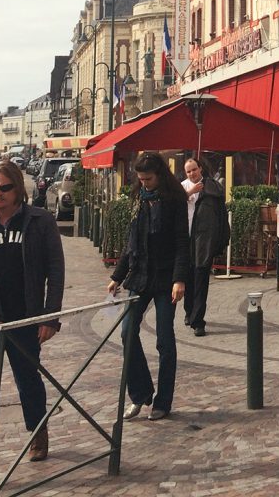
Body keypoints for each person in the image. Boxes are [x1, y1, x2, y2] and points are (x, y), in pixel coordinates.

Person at [0, 162, 64, 487]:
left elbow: (55, 269)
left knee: (29, 382)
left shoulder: (40, 222)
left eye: (4, 188)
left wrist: (51, 317)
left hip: (26, 319)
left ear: (17, 189)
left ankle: (38, 432)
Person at [108, 153, 189, 422]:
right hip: (140, 276)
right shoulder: (138, 200)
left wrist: (180, 279)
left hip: (166, 277)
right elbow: (131, 242)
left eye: (148, 179)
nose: (144, 184)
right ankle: (141, 393)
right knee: (127, 331)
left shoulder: (174, 200)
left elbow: (181, 242)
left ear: (160, 175)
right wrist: (117, 276)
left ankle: (163, 401)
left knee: (165, 340)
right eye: (140, 179)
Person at [182, 156, 229, 337]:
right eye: (188, 171)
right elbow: (172, 206)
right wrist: (190, 192)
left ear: (200, 169)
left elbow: (221, 216)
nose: (192, 173)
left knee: (201, 279)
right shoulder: (182, 187)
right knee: (188, 278)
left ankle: (198, 322)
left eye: (194, 169)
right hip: (185, 241)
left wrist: (221, 240)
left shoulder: (212, 188)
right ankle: (189, 312)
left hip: (203, 241)